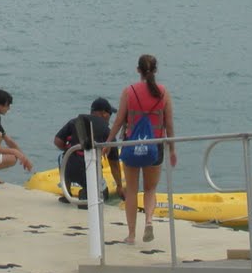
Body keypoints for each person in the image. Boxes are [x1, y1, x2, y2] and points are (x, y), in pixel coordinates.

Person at [108, 53, 175, 244]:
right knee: (150, 188)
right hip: (155, 147)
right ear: (155, 71)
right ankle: (148, 221)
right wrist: (173, 149)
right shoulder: (164, 93)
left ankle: (131, 235)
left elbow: (119, 121)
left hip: (131, 145)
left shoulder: (129, 92)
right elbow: (168, 124)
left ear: (138, 70)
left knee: (131, 191)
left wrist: (108, 142)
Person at [53, 96, 124, 204]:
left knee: (63, 156)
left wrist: (70, 151)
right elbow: (114, 163)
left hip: (68, 168)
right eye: (110, 114)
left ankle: (67, 193)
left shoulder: (75, 121)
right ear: (104, 114)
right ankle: (86, 193)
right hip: (88, 168)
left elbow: (57, 141)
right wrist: (119, 186)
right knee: (104, 195)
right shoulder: (108, 131)